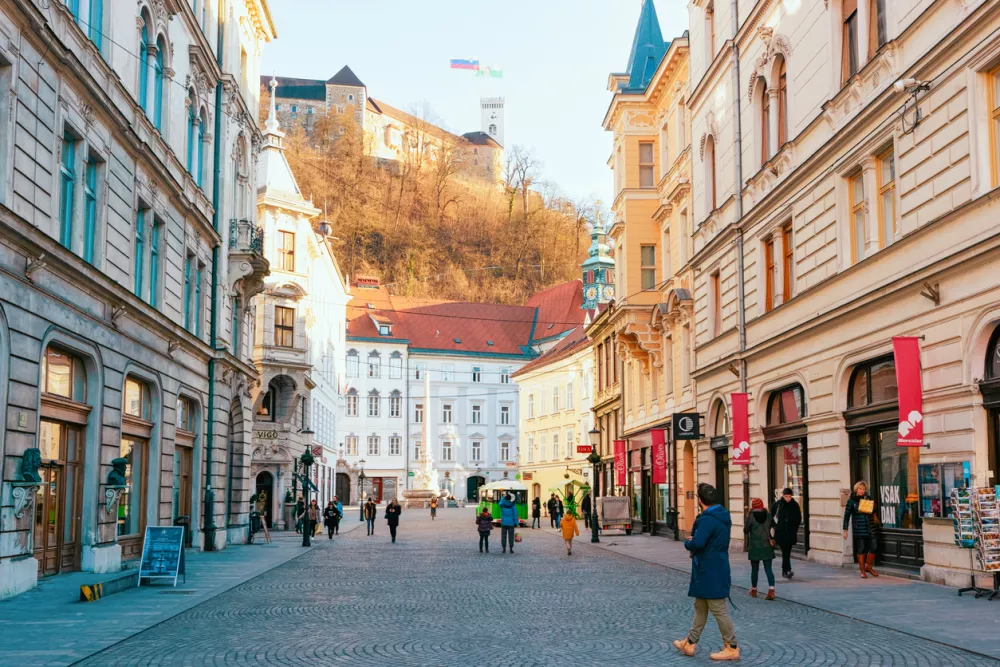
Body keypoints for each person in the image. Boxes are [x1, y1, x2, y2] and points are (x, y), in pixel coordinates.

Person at [672, 483, 739, 661]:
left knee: (718, 609)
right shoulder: (721, 516)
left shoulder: (708, 519)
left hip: (710, 569)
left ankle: (731, 646)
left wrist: (689, 542)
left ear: (700, 500)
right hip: (712, 567)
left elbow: (698, 543)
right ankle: (690, 643)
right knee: (700, 607)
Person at [843, 480, 878, 579]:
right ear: (856, 489)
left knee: (874, 546)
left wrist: (872, 505)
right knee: (861, 549)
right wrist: (845, 530)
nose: (862, 491)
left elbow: (874, 509)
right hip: (859, 528)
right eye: (860, 489)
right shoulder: (851, 501)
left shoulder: (868, 498)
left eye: (863, 489)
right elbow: (846, 516)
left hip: (870, 526)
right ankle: (862, 570)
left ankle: (868, 567)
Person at [744, 498, 776, 600]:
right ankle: (771, 590)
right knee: (768, 569)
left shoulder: (751, 517)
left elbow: (745, 530)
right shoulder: (768, 515)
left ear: (753, 507)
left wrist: (747, 519)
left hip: (755, 546)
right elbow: (774, 526)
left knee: (754, 569)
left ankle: (754, 590)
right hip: (766, 545)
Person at [770, 487, 802, 579]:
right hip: (781, 532)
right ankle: (787, 570)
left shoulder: (794, 505)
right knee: (785, 551)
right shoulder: (777, 505)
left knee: (787, 551)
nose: (788, 498)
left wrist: (795, 528)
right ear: (783, 496)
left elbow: (798, 518)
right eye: (786, 496)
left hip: (791, 532)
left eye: (789, 496)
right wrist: (775, 526)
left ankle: (786, 570)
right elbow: (770, 516)